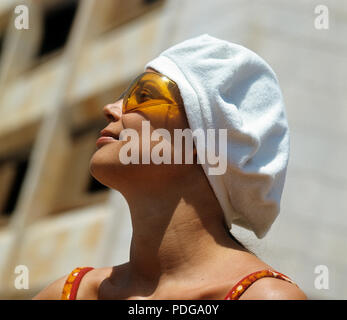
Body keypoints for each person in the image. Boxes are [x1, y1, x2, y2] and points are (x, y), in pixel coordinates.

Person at [33, 34, 307, 300]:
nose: (111, 108)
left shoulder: (264, 297)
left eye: (143, 95)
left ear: (207, 141)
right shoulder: (67, 293)